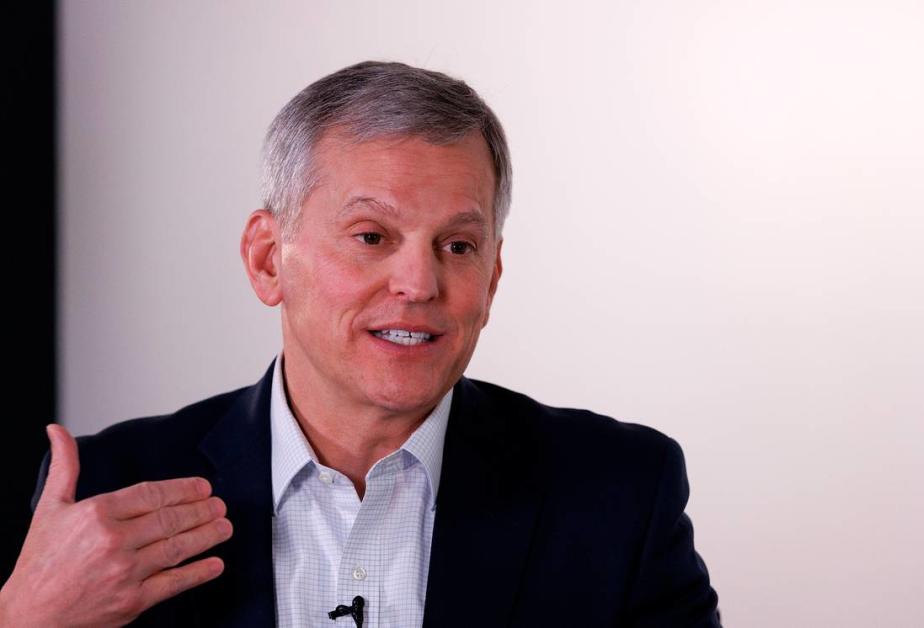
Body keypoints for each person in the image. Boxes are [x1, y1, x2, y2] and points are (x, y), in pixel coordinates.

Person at [0, 61, 721, 627]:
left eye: (458, 245)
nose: (419, 282)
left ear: (493, 278)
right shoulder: (110, 491)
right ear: (266, 258)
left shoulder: (618, 492)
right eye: (372, 237)